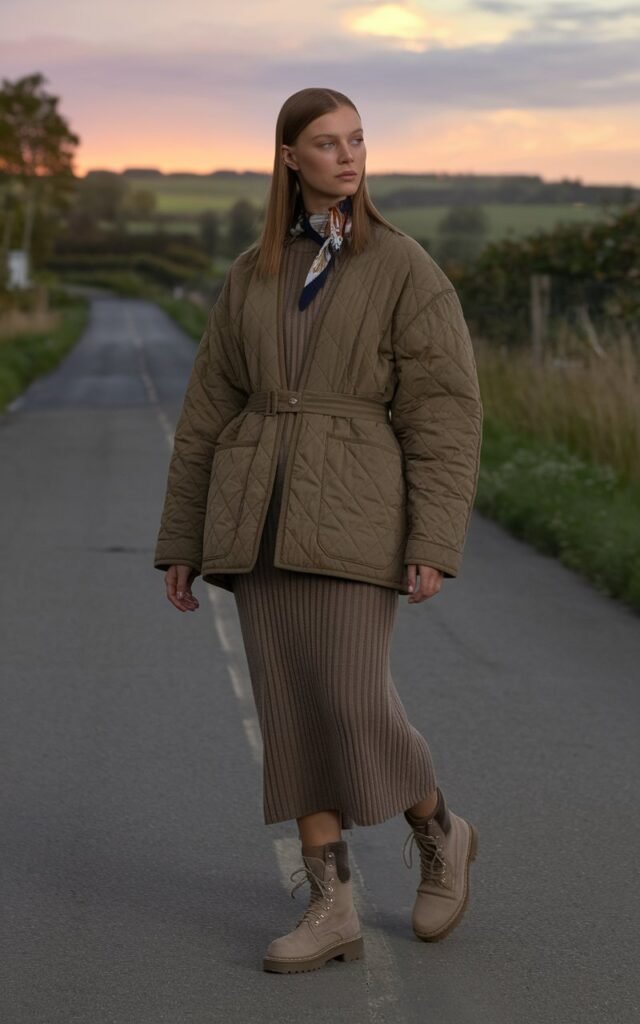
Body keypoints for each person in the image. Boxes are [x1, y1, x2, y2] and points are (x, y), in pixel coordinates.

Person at [154, 87, 483, 974]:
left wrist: (432, 539)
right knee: (290, 711)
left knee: (349, 699)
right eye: (328, 144)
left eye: (359, 141)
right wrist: (183, 538)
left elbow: (446, 415)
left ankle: (441, 829)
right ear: (290, 157)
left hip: (358, 512)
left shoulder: (404, 267)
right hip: (255, 512)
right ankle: (332, 901)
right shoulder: (251, 272)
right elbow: (205, 414)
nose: (348, 157)